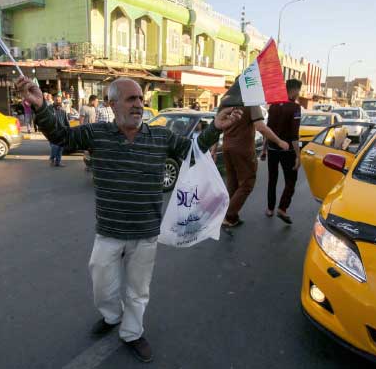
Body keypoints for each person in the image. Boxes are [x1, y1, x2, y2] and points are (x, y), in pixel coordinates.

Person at [18, 76, 242, 364]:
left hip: (145, 233)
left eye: (140, 99)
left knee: (138, 291)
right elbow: (63, 137)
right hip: (109, 232)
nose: (138, 105)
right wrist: (40, 107)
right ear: (112, 105)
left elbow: (191, 153)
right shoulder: (97, 134)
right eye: (130, 99)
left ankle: (132, 332)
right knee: (102, 285)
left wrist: (215, 129)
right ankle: (111, 316)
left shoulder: (160, 137)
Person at [221, 106, 289, 228]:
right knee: (247, 183)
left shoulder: (227, 99)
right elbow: (260, 127)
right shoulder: (251, 102)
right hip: (243, 149)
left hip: (226, 146)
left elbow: (219, 124)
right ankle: (228, 216)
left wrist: (215, 148)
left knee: (233, 183)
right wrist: (279, 141)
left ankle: (232, 216)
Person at [262, 79, 303, 224]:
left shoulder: (273, 106)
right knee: (291, 180)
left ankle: (270, 209)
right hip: (287, 151)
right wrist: (298, 155)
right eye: (299, 91)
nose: (299, 94)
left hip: (272, 149)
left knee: (272, 179)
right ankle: (282, 208)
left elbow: (268, 129)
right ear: (295, 90)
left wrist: (264, 150)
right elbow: (294, 135)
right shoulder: (295, 108)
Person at [49, 96, 68, 167]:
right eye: (57, 100)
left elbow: (66, 121)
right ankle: (52, 158)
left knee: (60, 147)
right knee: (55, 146)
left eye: (59, 100)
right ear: (54, 100)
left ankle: (58, 162)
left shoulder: (63, 110)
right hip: (52, 131)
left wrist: (68, 129)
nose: (58, 101)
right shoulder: (50, 109)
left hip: (62, 131)